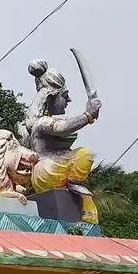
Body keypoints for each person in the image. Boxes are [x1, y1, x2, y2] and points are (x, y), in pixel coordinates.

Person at [24, 59, 102, 223]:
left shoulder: (44, 121)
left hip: (51, 169)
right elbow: (62, 128)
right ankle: (76, 188)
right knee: (84, 154)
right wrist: (87, 115)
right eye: (65, 96)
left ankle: (75, 192)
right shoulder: (42, 122)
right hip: (49, 169)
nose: (69, 100)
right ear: (52, 97)